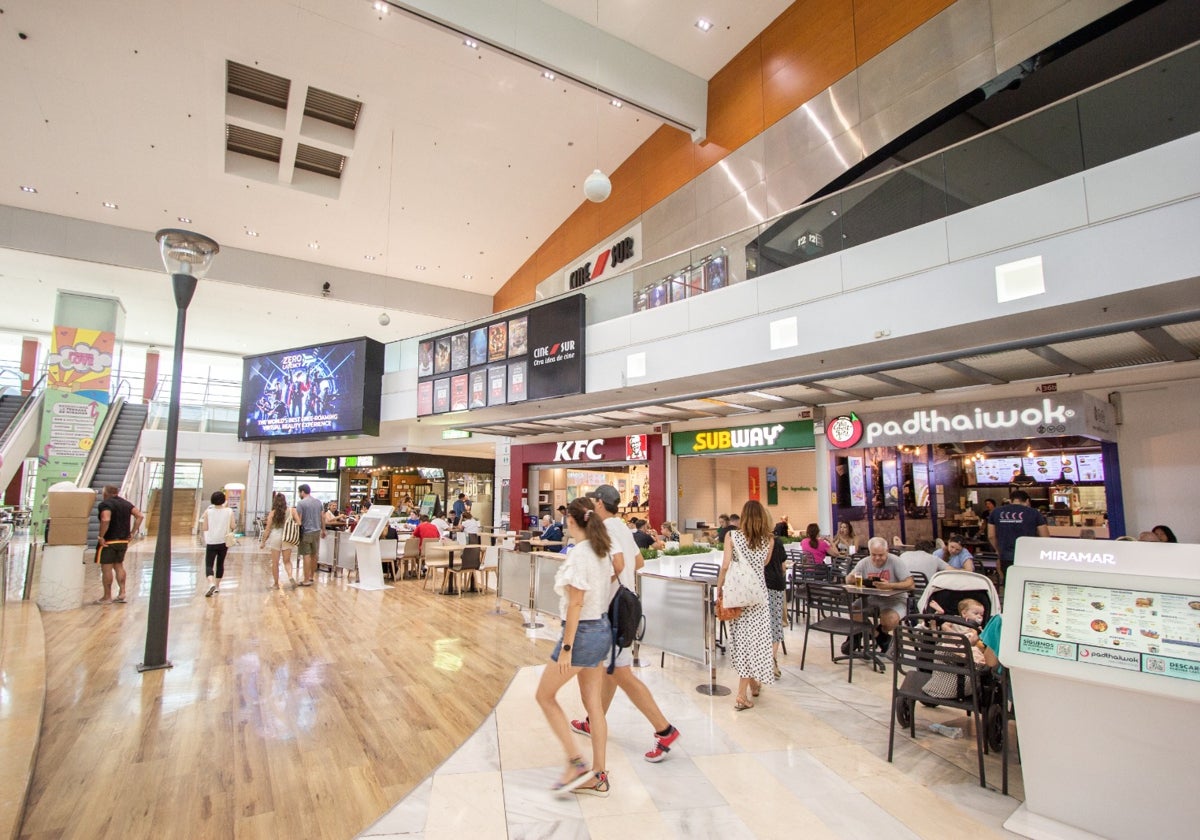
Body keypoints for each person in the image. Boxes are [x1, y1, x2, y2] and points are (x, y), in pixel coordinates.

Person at [572, 485, 681, 763]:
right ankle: (594, 721)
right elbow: (639, 562)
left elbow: (613, 567)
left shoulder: (605, 530)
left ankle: (664, 729)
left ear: (598, 503)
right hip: (627, 607)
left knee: (621, 674)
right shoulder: (622, 528)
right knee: (613, 671)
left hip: (611, 611)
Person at [534, 497, 613, 798]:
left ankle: (576, 762)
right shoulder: (601, 550)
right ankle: (599, 774)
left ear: (570, 521)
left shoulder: (580, 554)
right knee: (594, 706)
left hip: (582, 633)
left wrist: (567, 647)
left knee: (544, 695)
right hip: (601, 629)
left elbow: (576, 603)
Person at [718, 500, 775, 710]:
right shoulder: (769, 539)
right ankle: (748, 688)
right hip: (758, 596)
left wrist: (720, 587)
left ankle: (744, 691)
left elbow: (725, 565)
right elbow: (765, 564)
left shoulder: (732, 536)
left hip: (737, 596)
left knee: (742, 641)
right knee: (756, 641)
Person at [845, 537, 914, 653]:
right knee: (854, 611)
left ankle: (858, 636)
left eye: (881, 555)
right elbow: (848, 579)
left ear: (887, 551)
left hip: (895, 599)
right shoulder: (864, 562)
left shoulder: (895, 561)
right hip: (872, 598)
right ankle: (881, 638)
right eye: (873, 555)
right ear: (869, 552)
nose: (877, 558)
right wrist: (856, 579)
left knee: (889, 620)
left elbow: (911, 584)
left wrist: (890, 585)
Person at [94, 485, 143, 605]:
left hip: (109, 541)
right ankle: (122, 593)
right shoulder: (126, 504)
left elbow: (106, 519)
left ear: (105, 493)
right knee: (119, 566)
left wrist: (101, 536)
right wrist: (132, 532)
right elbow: (140, 516)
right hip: (123, 541)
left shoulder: (105, 504)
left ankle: (107, 597)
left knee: (106, 568)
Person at [988, 489, 1049, 583]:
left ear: (1010, 500)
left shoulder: (995, 512)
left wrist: (999, 551)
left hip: (1006, 556)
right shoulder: (1034, 513)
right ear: (1028, 501)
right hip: (1028, 557)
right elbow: (1045, 537)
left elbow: (991, 536)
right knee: (1027, 584)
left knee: (1009, 584)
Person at [200, 491, 236, 597]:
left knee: (209, 564)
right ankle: (217, 586)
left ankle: (211, 583)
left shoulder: (208, 512)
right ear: (224, 500)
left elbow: (205, 528)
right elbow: (233, 526)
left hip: (211, 541)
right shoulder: (229, 511)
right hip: (223, 542)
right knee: (220, 564)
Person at [260, 492, 299, 589]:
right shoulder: (292, 510)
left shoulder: (272, 513)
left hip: (275, 536)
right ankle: (290, 576)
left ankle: (276, 584)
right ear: (285, 501)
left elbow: (268, 529)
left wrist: (263, 542)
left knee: (275, 562)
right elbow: (299, 523)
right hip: (287, 536)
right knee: (287, 561)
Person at [765, 535, 788, 679]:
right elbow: (783, 567)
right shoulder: (776, 541)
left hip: (759, 586)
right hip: (775, 583)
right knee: (775, 623)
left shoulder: (753, 541)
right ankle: (771, 659)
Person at [295, 484, 325, 586]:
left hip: (306, 532)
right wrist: (323, 530)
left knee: (306, 555)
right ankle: (312, 576)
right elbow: (322, 517)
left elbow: (299, 519)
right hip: (317, 531)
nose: (299, 494)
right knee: (314, 554)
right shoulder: (318, 502)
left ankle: (306, 579)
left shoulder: (301, 503)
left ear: (302, 492)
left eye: (299, 492)